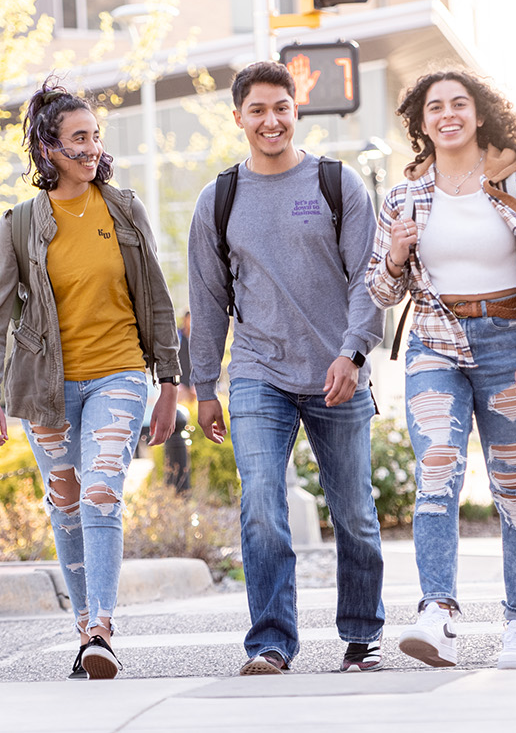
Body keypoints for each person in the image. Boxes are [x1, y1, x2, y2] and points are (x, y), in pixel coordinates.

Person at [0, 81, 181, 681]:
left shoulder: (124, 209)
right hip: (47, 387)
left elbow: (156, 299)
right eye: (78, 138)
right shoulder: (20, 224)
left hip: (119, 373)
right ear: (48, 149)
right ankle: (85, 628)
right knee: (65, 503)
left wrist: (169, 383)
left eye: (95, 136)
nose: (91, 148)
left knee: (101, 493)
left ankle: (102, 629)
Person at [368, 69, 516, 671]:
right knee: (436, 469)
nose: (448, 115)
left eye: (459, 104)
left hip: (511, 346)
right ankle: (437, 613)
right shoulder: (404, 196)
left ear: (480, 114)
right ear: (422, 122)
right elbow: (381, 292)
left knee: (514, 485)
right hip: (436, 344)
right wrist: (397, 254)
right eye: (435, 107)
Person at [188, 61, 387, 676]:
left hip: (338, 372)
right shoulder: (220, 199)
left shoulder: (337, 184)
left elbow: (369, 279)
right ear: (238, 117)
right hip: (258, 371)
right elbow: (207, 298)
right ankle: (271, 642)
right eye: (257, 110)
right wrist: (204, 385)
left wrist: (353, 353)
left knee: (354, 511)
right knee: (261, 505)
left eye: (281, 108)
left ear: (295, 110)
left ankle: (362, 633)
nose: (270, 121)